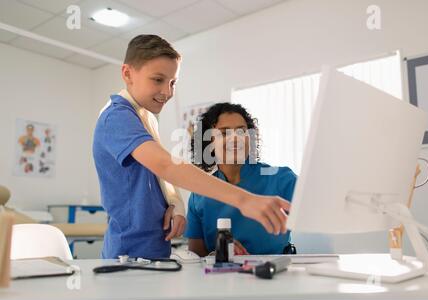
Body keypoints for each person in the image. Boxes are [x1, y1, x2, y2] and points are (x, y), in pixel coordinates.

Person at [93, 35, 290, 259]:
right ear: (127, 73)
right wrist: (245, 200)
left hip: (154, 249)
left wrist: (173, 204)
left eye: (172, 82)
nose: (167, 92)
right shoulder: (118, 117)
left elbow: (156, 174)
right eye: (158, 80)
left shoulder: (145, 119)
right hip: (128, 252)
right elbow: (167, 165)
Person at [185, 103, 297, 256]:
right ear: (208, 143)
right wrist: (218, 253)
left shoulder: (282, 179)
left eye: (242, 131)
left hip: (274, 275)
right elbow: (196, 256)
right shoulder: (199, 195)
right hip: (221, 277)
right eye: (224, 133)